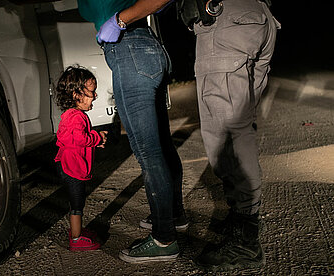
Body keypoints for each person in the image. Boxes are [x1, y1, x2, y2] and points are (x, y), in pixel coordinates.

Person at [98, 0, 280, 271]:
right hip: (257, 16)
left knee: (226, 136)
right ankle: (242, 219)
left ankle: (245, 240)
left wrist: (120, 20)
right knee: (241, 128)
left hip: (227, 20)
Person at [77, 0, 188, 263]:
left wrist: (119, 21)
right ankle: (173, 215)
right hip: (148, 48)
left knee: (148, 151)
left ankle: (164, 239)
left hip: (129, 51)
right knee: (161, 143)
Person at [54, 65, 108, 251]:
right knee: (77, 204)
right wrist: (97, 137)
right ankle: (76, 239)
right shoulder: (75, 117)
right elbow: (78, 139)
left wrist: (94, 140)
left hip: (69, 165)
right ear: (76, 95)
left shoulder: (72, 115)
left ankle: (77, 231)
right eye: (91, 92)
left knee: (77, 202)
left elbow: (74, 138)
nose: (94, 96)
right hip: (72, 168)